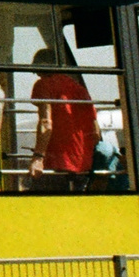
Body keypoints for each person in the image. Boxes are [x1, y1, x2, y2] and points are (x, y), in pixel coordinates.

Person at [28, 48, 97, 191]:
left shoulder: (43, 85)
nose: (37, 74)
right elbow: (95, 131)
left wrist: (38, 157)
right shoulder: (79, 88)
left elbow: (46, 123)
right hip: (82, 164)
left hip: (56, 162)